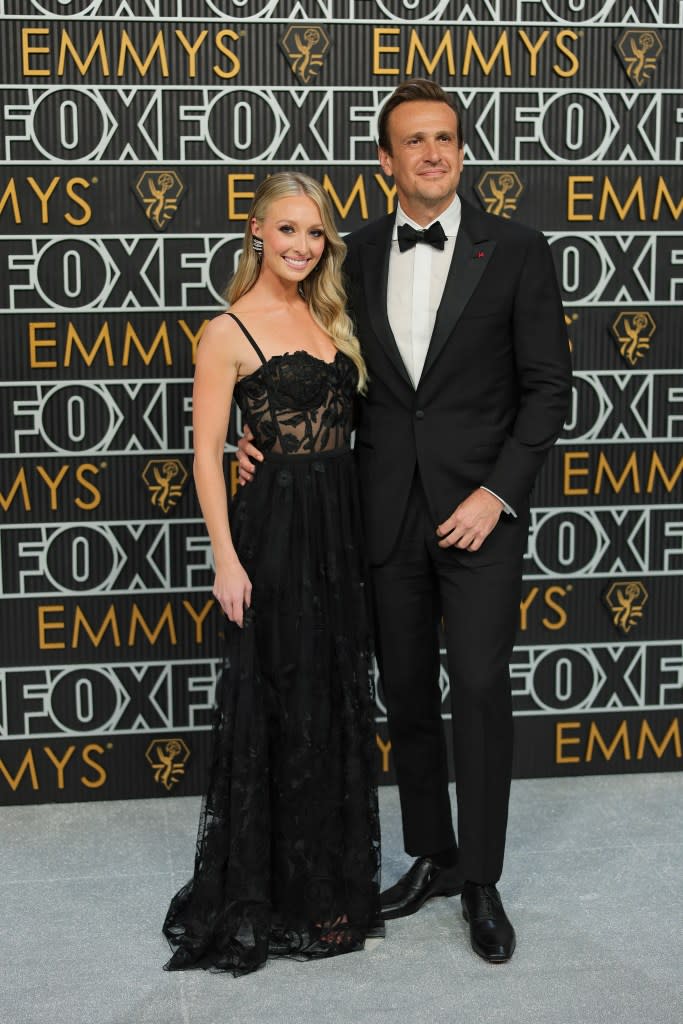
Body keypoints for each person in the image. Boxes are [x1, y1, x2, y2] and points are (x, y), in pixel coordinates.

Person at [237, 80, 572, 964]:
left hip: (479, 516)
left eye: (446, 138)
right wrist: (255, 443)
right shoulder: (354, 254)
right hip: (378, 513)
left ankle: (483, 879)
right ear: (385, 161)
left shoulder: (519, 251)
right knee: (410, 699)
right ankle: (432, 854)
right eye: (413, 141)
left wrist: (496, 493)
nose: (432, 152)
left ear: (461, 151)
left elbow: (547, 390)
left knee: (480, 690)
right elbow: (300, 363)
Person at [162, 172, 381, 976]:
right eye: (286, 230)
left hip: (339, 526)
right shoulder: (224, 329)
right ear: (255, 231)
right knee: (277, 695)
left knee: (330, 692)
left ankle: (324, 887)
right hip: (274, 533)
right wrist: (225, 555)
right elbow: (207, 455)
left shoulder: (329, 315)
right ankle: (266, 893)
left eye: (314, 233)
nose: (300, 246)